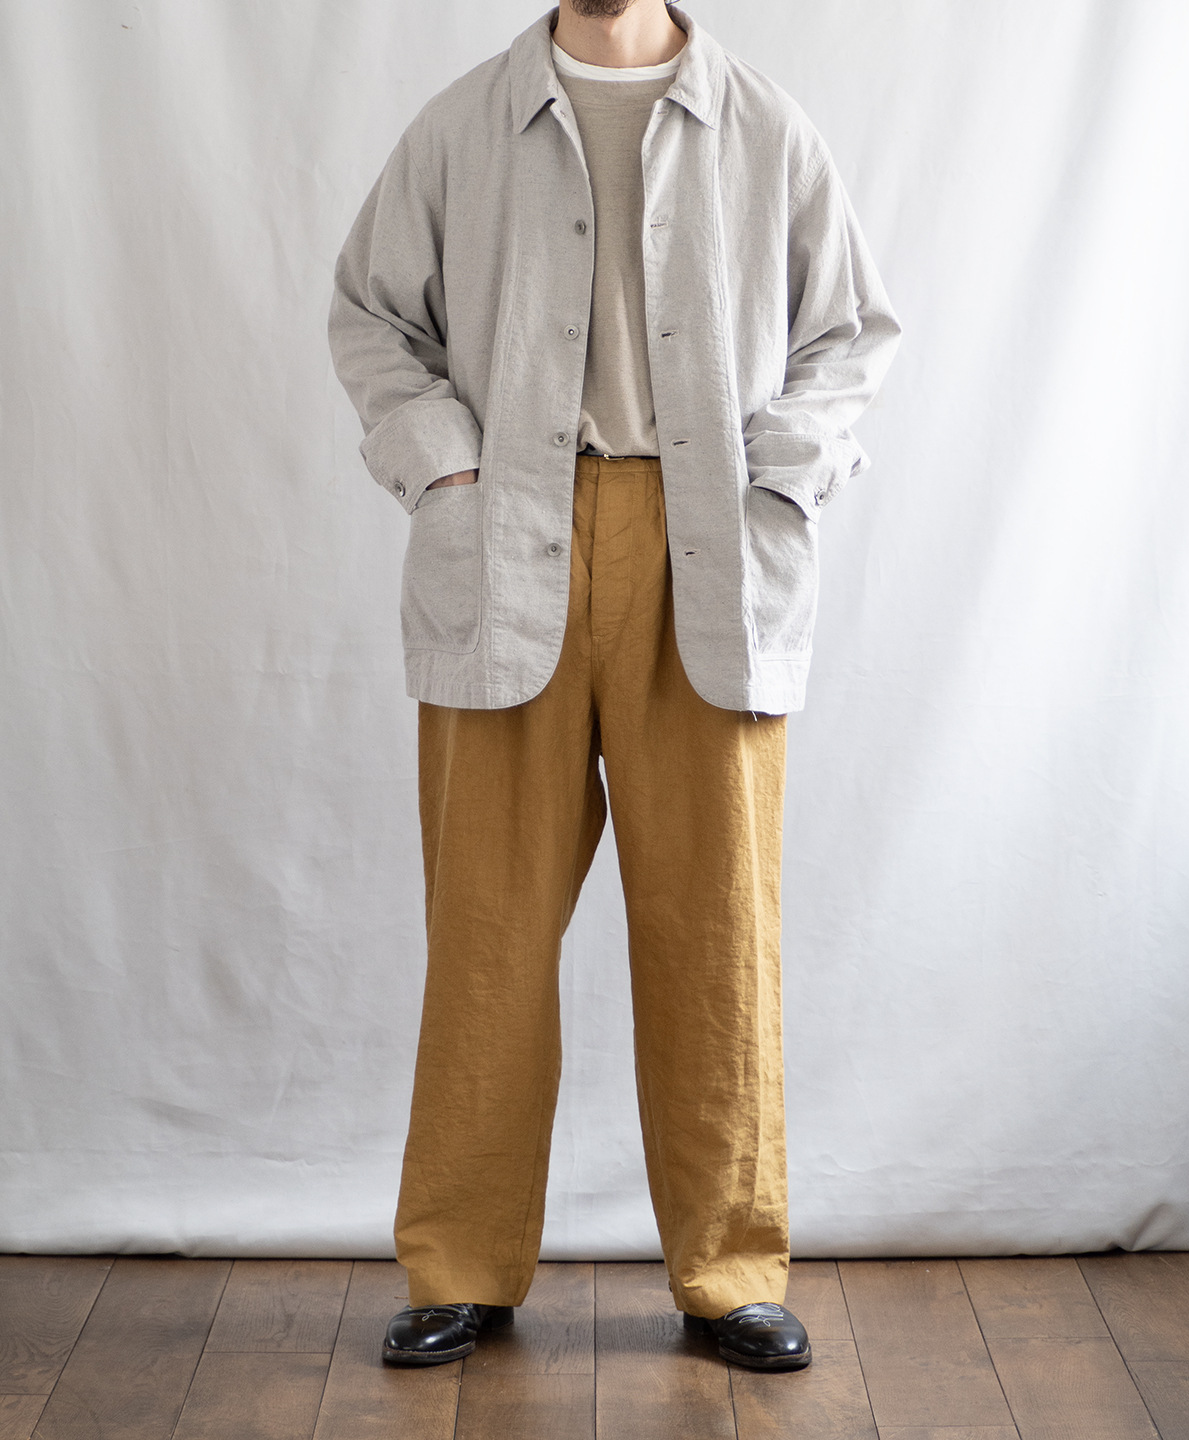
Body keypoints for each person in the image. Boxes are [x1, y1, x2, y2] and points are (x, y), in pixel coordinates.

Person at [328, 0, 900, 1373]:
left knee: (717, 930)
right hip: (506, 537)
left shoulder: (764, 127)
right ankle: (459, 1265)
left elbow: (851, 332)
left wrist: (779, 475)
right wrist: (447, 468)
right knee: (488, 930)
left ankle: (731, 1270)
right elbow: (370, 315)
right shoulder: (465, 124)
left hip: (706, 549)